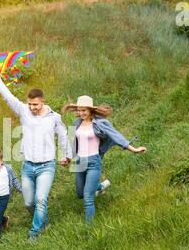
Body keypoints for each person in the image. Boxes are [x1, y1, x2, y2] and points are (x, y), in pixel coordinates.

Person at [0, 66, 72, 241]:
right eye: (30, 104)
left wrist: (67, 155)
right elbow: (8, 97)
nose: (32, 107)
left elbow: (63, 135)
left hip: (47, 166)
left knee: (41, 199)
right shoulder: (23, 110)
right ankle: (44, 222)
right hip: (28, 165)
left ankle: (34, 233)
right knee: (29, 202)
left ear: (43, 102)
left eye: (35, 104)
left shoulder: (54, 117)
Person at [62, 95, 147, 223]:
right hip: (79, 161)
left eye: (84, 110)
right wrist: (68, 159)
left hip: (93, 162)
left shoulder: (100, 124)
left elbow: (116, 136)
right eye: (79, 110)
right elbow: (71, 143)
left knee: (87, 197)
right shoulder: (76, 123)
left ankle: (88, 228)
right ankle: (100, 186)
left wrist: (134, 149)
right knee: (80, 193)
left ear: (90, 110)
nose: (81, 113)